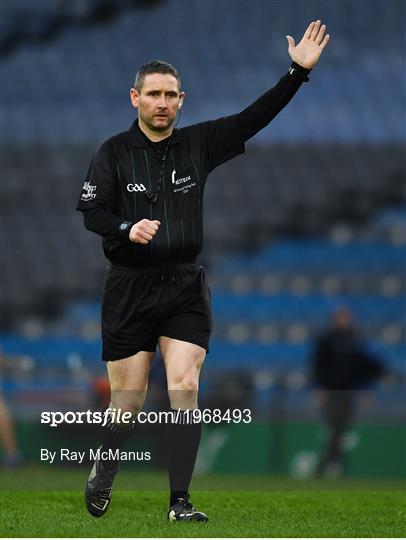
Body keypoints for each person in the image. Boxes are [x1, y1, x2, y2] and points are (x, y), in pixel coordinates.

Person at [76, 20, 330, 522]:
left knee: (186, 388)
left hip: (184, 286)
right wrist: (127, 228)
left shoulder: (199, 144)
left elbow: (253, 118)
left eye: (171, 94)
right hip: (129, 288)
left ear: (182, 99)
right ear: (135, 98)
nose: (163, 102)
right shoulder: (112, 153)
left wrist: (295, 73)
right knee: (125, 408)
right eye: (153, 94)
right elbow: (92, 212)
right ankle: (105, 468)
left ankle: (180, 503)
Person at [311, 305, 384, 477]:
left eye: (347, 317)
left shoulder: (353, 342)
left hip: (347, 391)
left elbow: (361, 368)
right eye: (343, 317)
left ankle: (333, 464)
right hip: (332, 391)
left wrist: (366, 388)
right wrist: (320, 387)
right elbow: (319, 366)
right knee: (333, 427)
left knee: (341, 428)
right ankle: (330, 464)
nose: (346, 320)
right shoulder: (327, 340)